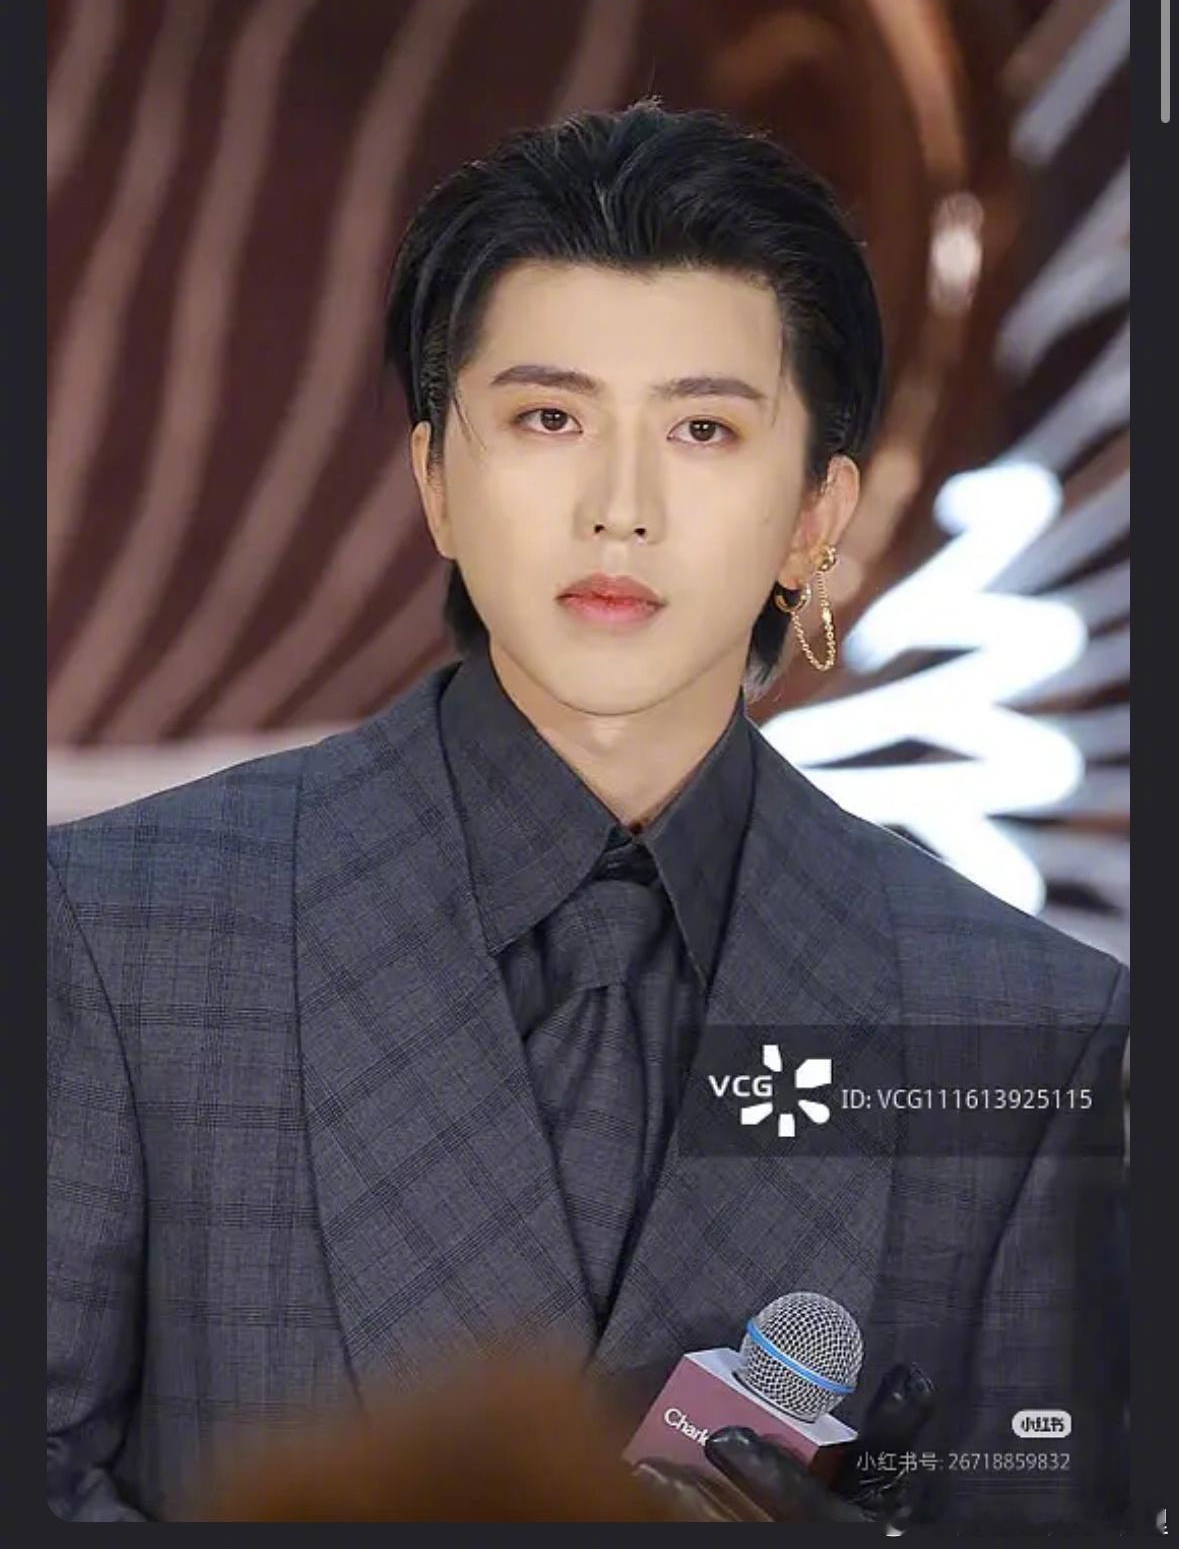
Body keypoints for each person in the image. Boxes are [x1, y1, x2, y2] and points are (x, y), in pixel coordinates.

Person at [48, 102, 1129, 1526]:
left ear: (817, 518)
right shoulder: (121, 932)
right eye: (549, 419)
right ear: (437, 478)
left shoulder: (1034, 1022)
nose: (621, 508)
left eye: (703, 428)